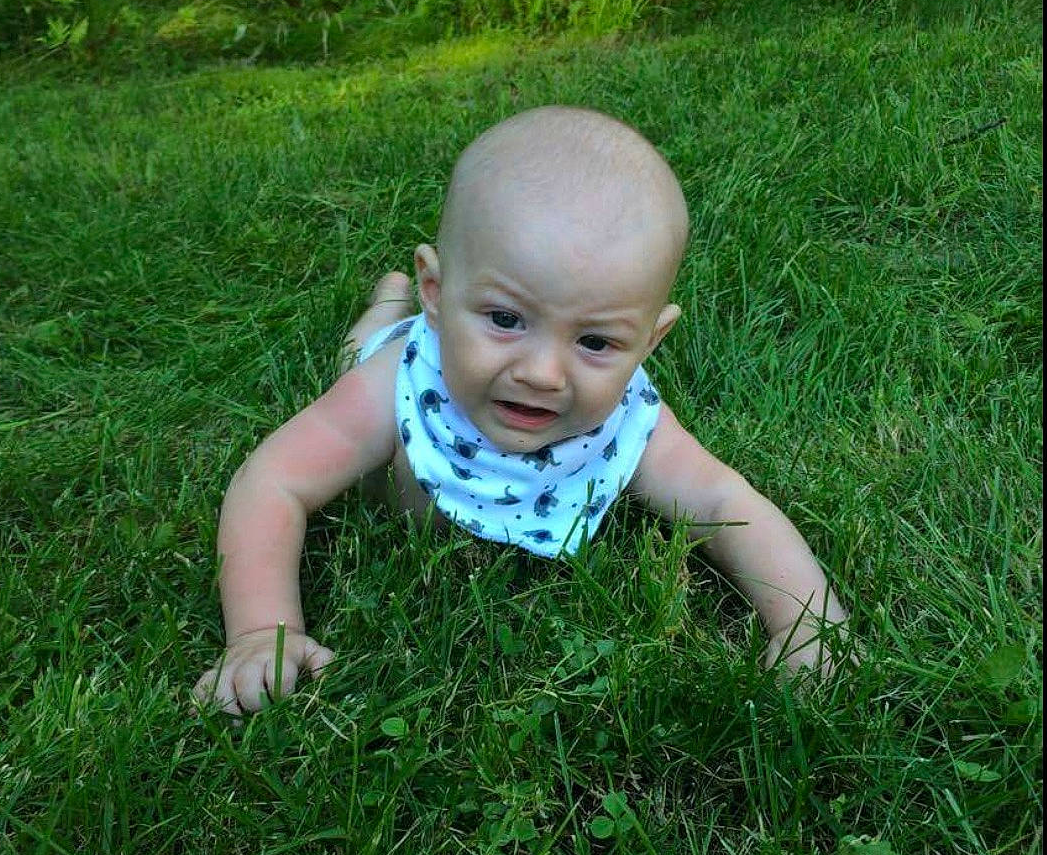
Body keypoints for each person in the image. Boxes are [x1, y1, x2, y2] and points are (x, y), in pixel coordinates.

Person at [194, 106, 850, 715]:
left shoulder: (629, 419)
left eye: (595, 342)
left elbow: (722, 501)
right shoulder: (393, 387)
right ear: (438, 291)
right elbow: (273, 480)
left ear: (649, 341)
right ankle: (389, 303)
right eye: (506, 319)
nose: (541, 373)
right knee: (362, 346)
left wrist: (807, 622)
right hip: (389, 352)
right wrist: (261, 630)